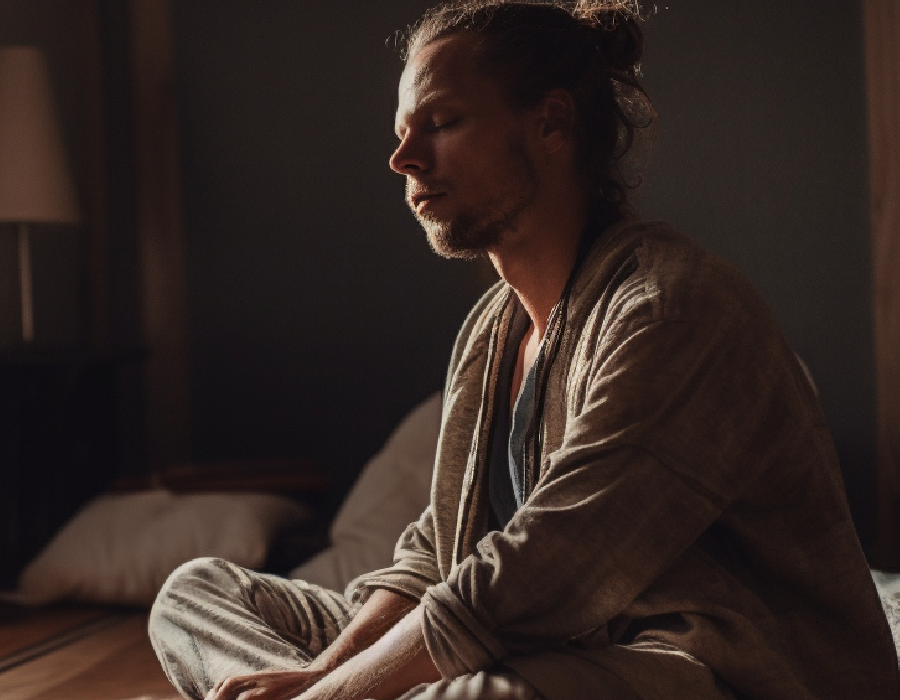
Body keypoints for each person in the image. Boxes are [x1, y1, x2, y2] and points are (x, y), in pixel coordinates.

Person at [148, 2, 900, 699]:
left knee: (478, 697)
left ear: (552, 124)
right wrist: (322, 676)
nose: (402, 158)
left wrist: (336, 696)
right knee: (198, 593)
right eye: (403, 129)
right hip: (551, 647)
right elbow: (436, 554)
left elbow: (553, 563)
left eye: (439, 122)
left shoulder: (674, 308)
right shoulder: (492, 329)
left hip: (713, 666)